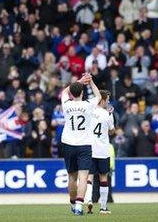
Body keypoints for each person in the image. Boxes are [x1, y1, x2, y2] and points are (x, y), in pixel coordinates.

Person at [61, 73, 100, 216]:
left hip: (68, 143)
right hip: (84, 144)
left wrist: (79, 81)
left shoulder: (66, 104)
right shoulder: (88, 104)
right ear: (82, 93)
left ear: (72, 93)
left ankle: (73, 204)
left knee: (72, 177)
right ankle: (78, 206)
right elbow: (99, 96)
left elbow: (65, 92)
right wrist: (91, 82)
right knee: (83, 176)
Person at [84, 90, 114, 215]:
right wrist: (109, 116)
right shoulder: (107, 114)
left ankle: (89, 200)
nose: (108, 102)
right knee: (103, 178)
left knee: (89, 177)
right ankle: (103, 207)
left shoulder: (89, 111)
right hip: (102, 150)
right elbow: (112, 131)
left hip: (90, 149)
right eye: (107, 100)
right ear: (102, 100)